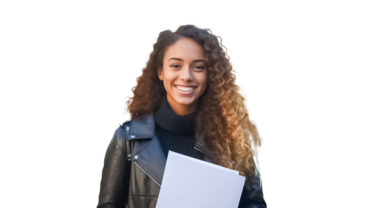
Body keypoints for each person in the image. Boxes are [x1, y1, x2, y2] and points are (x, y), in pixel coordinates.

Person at [97, 20, 267, 208]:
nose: (186, 76)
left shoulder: (236, 138)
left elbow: (256, 203)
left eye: (198, 67)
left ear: (209, 74)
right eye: (175, 66)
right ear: (161, 72)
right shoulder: (127, 138)